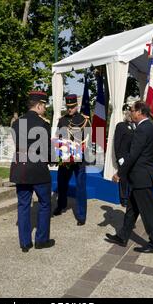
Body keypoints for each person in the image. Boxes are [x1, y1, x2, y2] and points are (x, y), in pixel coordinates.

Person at [106, 101, 153, 254]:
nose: (130, 113)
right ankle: (123, 236)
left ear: (139, 112)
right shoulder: (150, 128)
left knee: (148, 213)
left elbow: (133, 156)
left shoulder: (142, 130)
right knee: (132, 209)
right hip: (142, 176)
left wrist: (119, 173)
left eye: (132, 110)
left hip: (141, 177)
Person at [10, 91, 54, 252]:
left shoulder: (16, 123)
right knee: (44, 204)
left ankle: (25, 243)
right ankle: (41, 240)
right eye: (44, 106)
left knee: (23, 205)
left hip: (20, 169)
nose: (44, 109)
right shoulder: (43, 124)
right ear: (39, 105)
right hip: (38, 170)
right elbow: (47, 149)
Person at [53, 94, 91, 226]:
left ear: (76, 105)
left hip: (79, 159)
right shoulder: (62, 120)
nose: (70, 109)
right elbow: (58, 138)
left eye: (72, 107)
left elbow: (89, 139)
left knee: (81, 187)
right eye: (68, 107)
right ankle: (61, 205)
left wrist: (80, 151)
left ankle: (81, 216)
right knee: (61, 183)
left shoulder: (84, 119)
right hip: (65, 158)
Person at [114, 106, 134, 207]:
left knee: (131, 178)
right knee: (123, 178)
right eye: (130, 114)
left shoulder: (135, 126)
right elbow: (117, 143)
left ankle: (130, 197)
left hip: (132, 157)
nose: (131, 116)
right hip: (123, 157)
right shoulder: (121, 125)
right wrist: (119, 158)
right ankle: (123, 199)